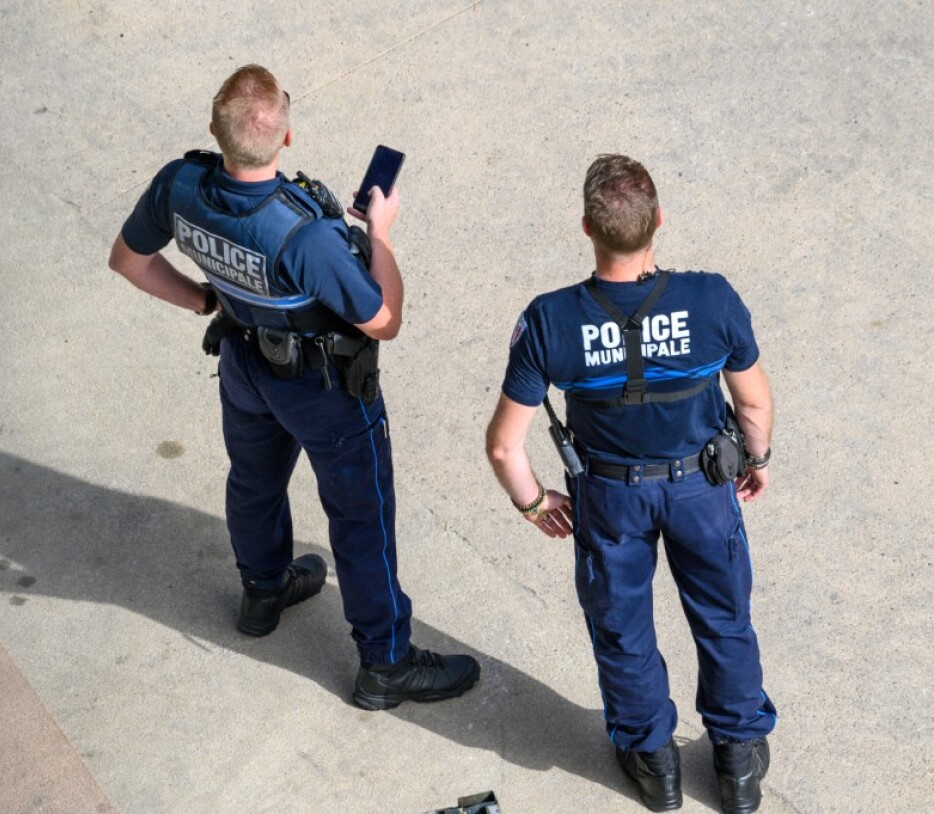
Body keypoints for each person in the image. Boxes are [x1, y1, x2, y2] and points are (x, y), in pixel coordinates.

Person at [108, 64, 478, 711]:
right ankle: (386, 663)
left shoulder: (180, 185)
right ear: (286, 137)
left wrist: (204, 300)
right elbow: (383, 319)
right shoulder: (304, 235)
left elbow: (129, 260)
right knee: (362, 521)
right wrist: (381, 234)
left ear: (215, 131)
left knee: (253, 480)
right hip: (325, 388)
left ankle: (263, 589)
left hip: (244, 363)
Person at [485, 154, 777, 813]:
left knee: (622, 626)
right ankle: (736, 764)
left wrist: (533, 501)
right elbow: (754, 405)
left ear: (586, 226)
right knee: (724, 617)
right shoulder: (712, 301)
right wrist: (755, 460)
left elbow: (505, 445)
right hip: (703, 490)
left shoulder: (550, 321)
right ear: (659, 222)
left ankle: (653, 763)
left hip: (611, 497)